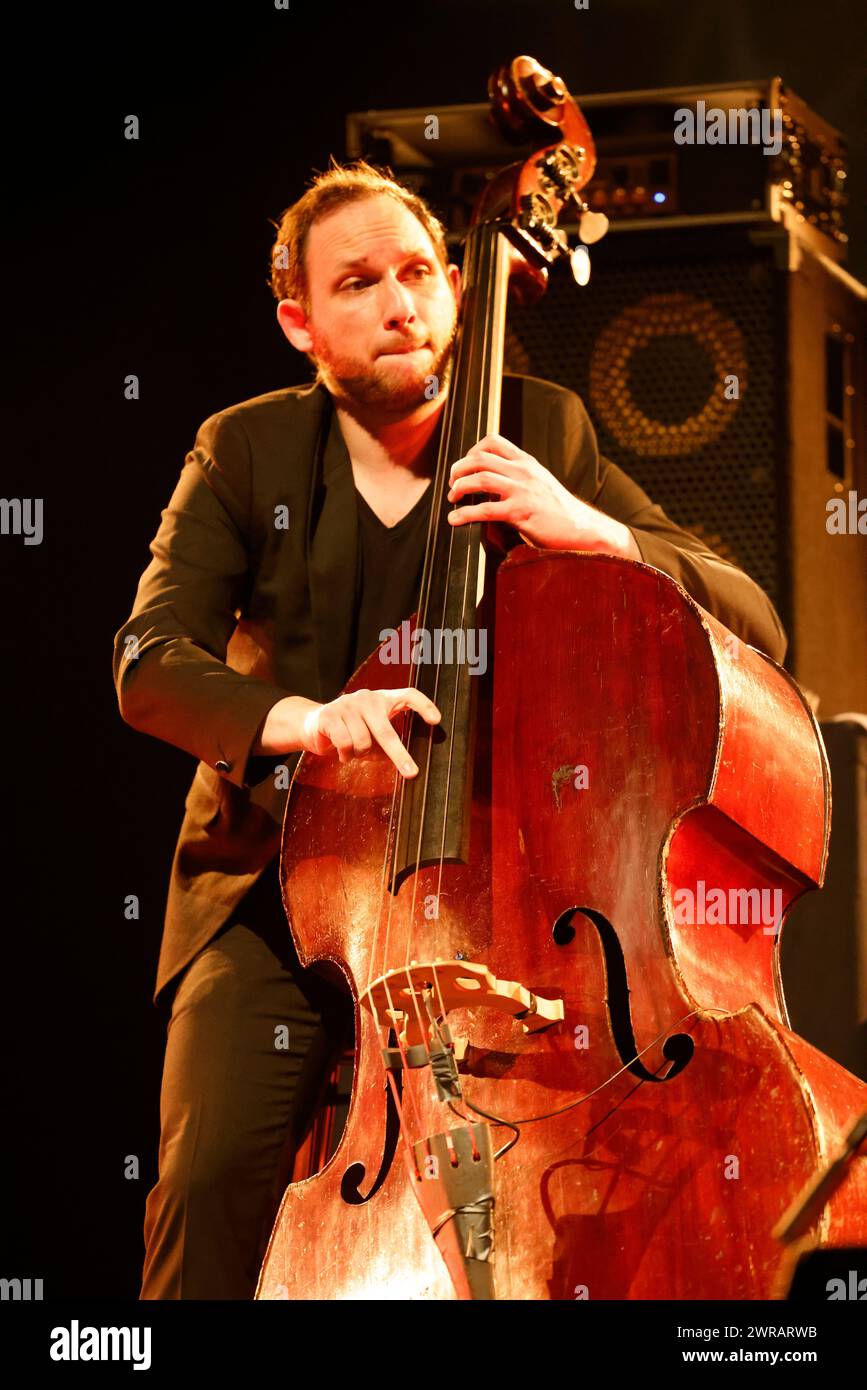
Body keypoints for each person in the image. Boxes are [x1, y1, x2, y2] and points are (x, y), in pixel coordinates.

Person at [112, 158, 787, 1300]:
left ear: (460, 292)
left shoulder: (541, 428)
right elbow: (148, 662)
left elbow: (753, 615)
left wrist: (592, 529)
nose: (400, 303)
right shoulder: (246, 450)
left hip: (505, 902)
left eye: (420, 272)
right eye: (360, 282)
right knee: (211, 1172)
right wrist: (310, 720)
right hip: (278, 896)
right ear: (299, 321)